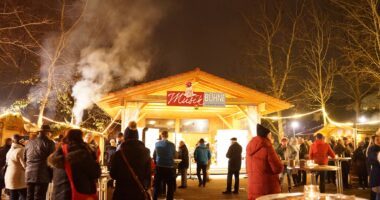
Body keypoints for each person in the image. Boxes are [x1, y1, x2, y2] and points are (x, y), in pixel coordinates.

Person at [48, 129, 100, 200]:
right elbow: (96, 173)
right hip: (78, 194)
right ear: (80, 138)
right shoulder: (83, 154)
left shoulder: (58, 152)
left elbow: (51, 174)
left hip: (58, 194)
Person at [110, 124, 152, 200]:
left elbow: (113, 174)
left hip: (121, 193)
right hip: (139, 194)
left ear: (125, 137)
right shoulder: (146, 152)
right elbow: (148, 174)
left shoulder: (119, 154)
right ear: (137, 136)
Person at [246, 124, 283, 200]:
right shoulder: (267, 146)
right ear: (267, 135)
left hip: (253, 186)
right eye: (270, 135)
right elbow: (277, 168)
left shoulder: (249, 147)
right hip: (267, 188)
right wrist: (279, 161)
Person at [24, 125, 55, 200]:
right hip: (42, 174)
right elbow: (51, 161)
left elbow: (25, 158)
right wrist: (52, 175)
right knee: (39, 196)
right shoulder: (49, 143)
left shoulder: (29, 142)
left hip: (29, 173)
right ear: (47, 133)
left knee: (29, 196)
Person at [153, 130, 176, 200]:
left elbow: (154, 155)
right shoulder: (172, 145)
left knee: (156, 185)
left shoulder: (156, 144)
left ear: (161, 135)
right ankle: (169, 198)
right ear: (167, 135)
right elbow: (174, 155)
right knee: (170, 186)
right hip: (169, 167)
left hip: (159, 166)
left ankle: (154, 198)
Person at [5, 135, 26, 200]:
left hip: (9, 176)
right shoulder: (21, 150)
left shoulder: (10, 150)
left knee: (13, 196)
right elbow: (25, 165)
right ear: (21, 141)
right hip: (18, 178)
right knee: (24, 196)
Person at [368, 129, 380, 200]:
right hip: (376, 174)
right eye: (377, 139)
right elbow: (372, 160)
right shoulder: (372, 148)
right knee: (376, 195)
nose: (378, 141)